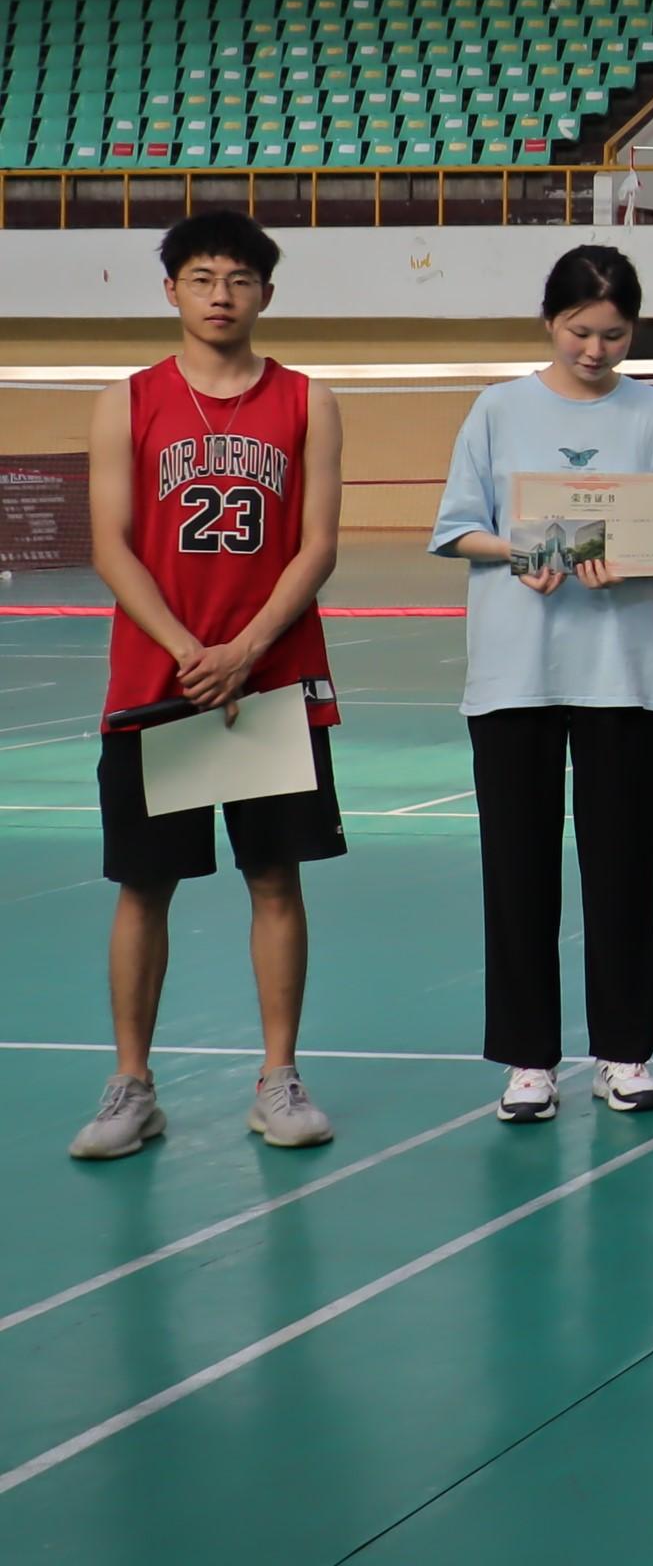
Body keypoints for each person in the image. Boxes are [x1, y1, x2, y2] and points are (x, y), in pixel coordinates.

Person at [70, 209, 348, 1162]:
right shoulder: (127, 401)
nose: (220, 294)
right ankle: (132, 1085)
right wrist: (193, 650)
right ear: (172, 291)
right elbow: (111, 545)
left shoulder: (308, 401)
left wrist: (246, 649)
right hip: (160, 681)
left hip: (269, 683)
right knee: (143, 885)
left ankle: (278, 1078)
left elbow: (317, 545)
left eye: (238, 279)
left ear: (265, 292)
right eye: (201, 278)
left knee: (274, 877)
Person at [429, 245, 653, 1123]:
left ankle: (624, 1052)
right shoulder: (497, 409)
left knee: (622, 870)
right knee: (517, 873)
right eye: (579, 331)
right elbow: (458, 529)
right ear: (549, 322)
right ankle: (528, 1060)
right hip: (513, 674)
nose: (595, 350)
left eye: (614, 335)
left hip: (622, 676)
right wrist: (523, 549)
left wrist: (630, 557)